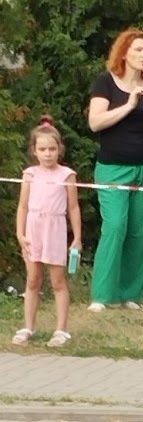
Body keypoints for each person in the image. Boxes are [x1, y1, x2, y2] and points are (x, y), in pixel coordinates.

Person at [87, 28, 143, 312]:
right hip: (113, 167)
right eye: (139, 50)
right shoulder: (105, 82)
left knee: (140, 231)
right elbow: (95, 123)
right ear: (124, 53)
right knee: (115, 226)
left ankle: (130, 293)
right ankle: (102, 295)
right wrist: (131, 104)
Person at [13, 117, 82, 348]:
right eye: (42, 149)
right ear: (34, 150)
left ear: (59, 149)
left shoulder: (67, 175)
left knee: (58, 281)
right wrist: (20, 233)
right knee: (32, 280)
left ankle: (61, 330)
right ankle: (28, 326)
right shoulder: (29, 174)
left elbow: (73, 207)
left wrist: (77, 238)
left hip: (55, 229)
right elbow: (22, 206)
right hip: (33, 229)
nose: (48, 154)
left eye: (52, 149)